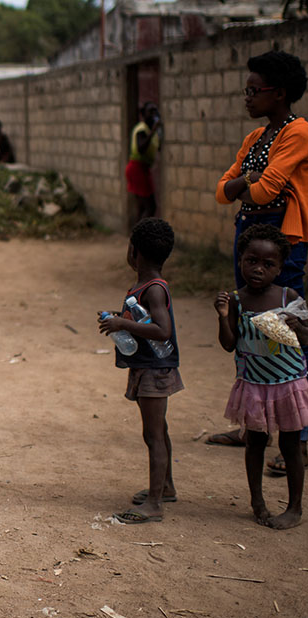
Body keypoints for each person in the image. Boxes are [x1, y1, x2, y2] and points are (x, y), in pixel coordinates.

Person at [208, 51, 308, 461]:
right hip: (247, 237)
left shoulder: (298, 132)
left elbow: (267, 191)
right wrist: (247, 181)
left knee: (286, 331)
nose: (246, 98)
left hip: (283, 242)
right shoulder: (255, 138)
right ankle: (254, 426)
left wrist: (243, 183)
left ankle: (296, 438)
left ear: (279, 93)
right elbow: (221, 191)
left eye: (254, 91)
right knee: (247, 325)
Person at [214, 223, 308, 529]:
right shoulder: (236, 301)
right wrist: (222, 317)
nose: (258, 269)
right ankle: (257, 502)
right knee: (254, 443)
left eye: (268, 264)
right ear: (240, 260)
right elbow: (229, 344)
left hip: (287, 384)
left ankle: (294, 508)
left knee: (290, 446)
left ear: (279, 269)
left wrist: (298, 326)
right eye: (251, 261)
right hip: (254, 385)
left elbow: (305, 340)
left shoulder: (288, 297)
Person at [97, 218, 182, 524]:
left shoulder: (155, 289)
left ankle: (156, 503)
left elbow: (162, 330)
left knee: (154, 435)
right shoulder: (143, 287)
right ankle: (166, 486)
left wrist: (122, 324)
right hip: (148, 367)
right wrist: (120, 319)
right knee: (160, 431)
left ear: (134, 251)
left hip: (156, 370)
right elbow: (145, 324)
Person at [126, 102, 163, 224]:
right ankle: (140, 236)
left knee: (142, 207)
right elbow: (141, 148)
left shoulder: (152, 131)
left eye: (155, 111)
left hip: (143, 169)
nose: (153, 115)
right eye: (150, 111)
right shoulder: (141, 129)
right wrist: (153, 131)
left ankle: (136, 239)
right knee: (150, 206)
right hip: (137, 169)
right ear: (143, 114)